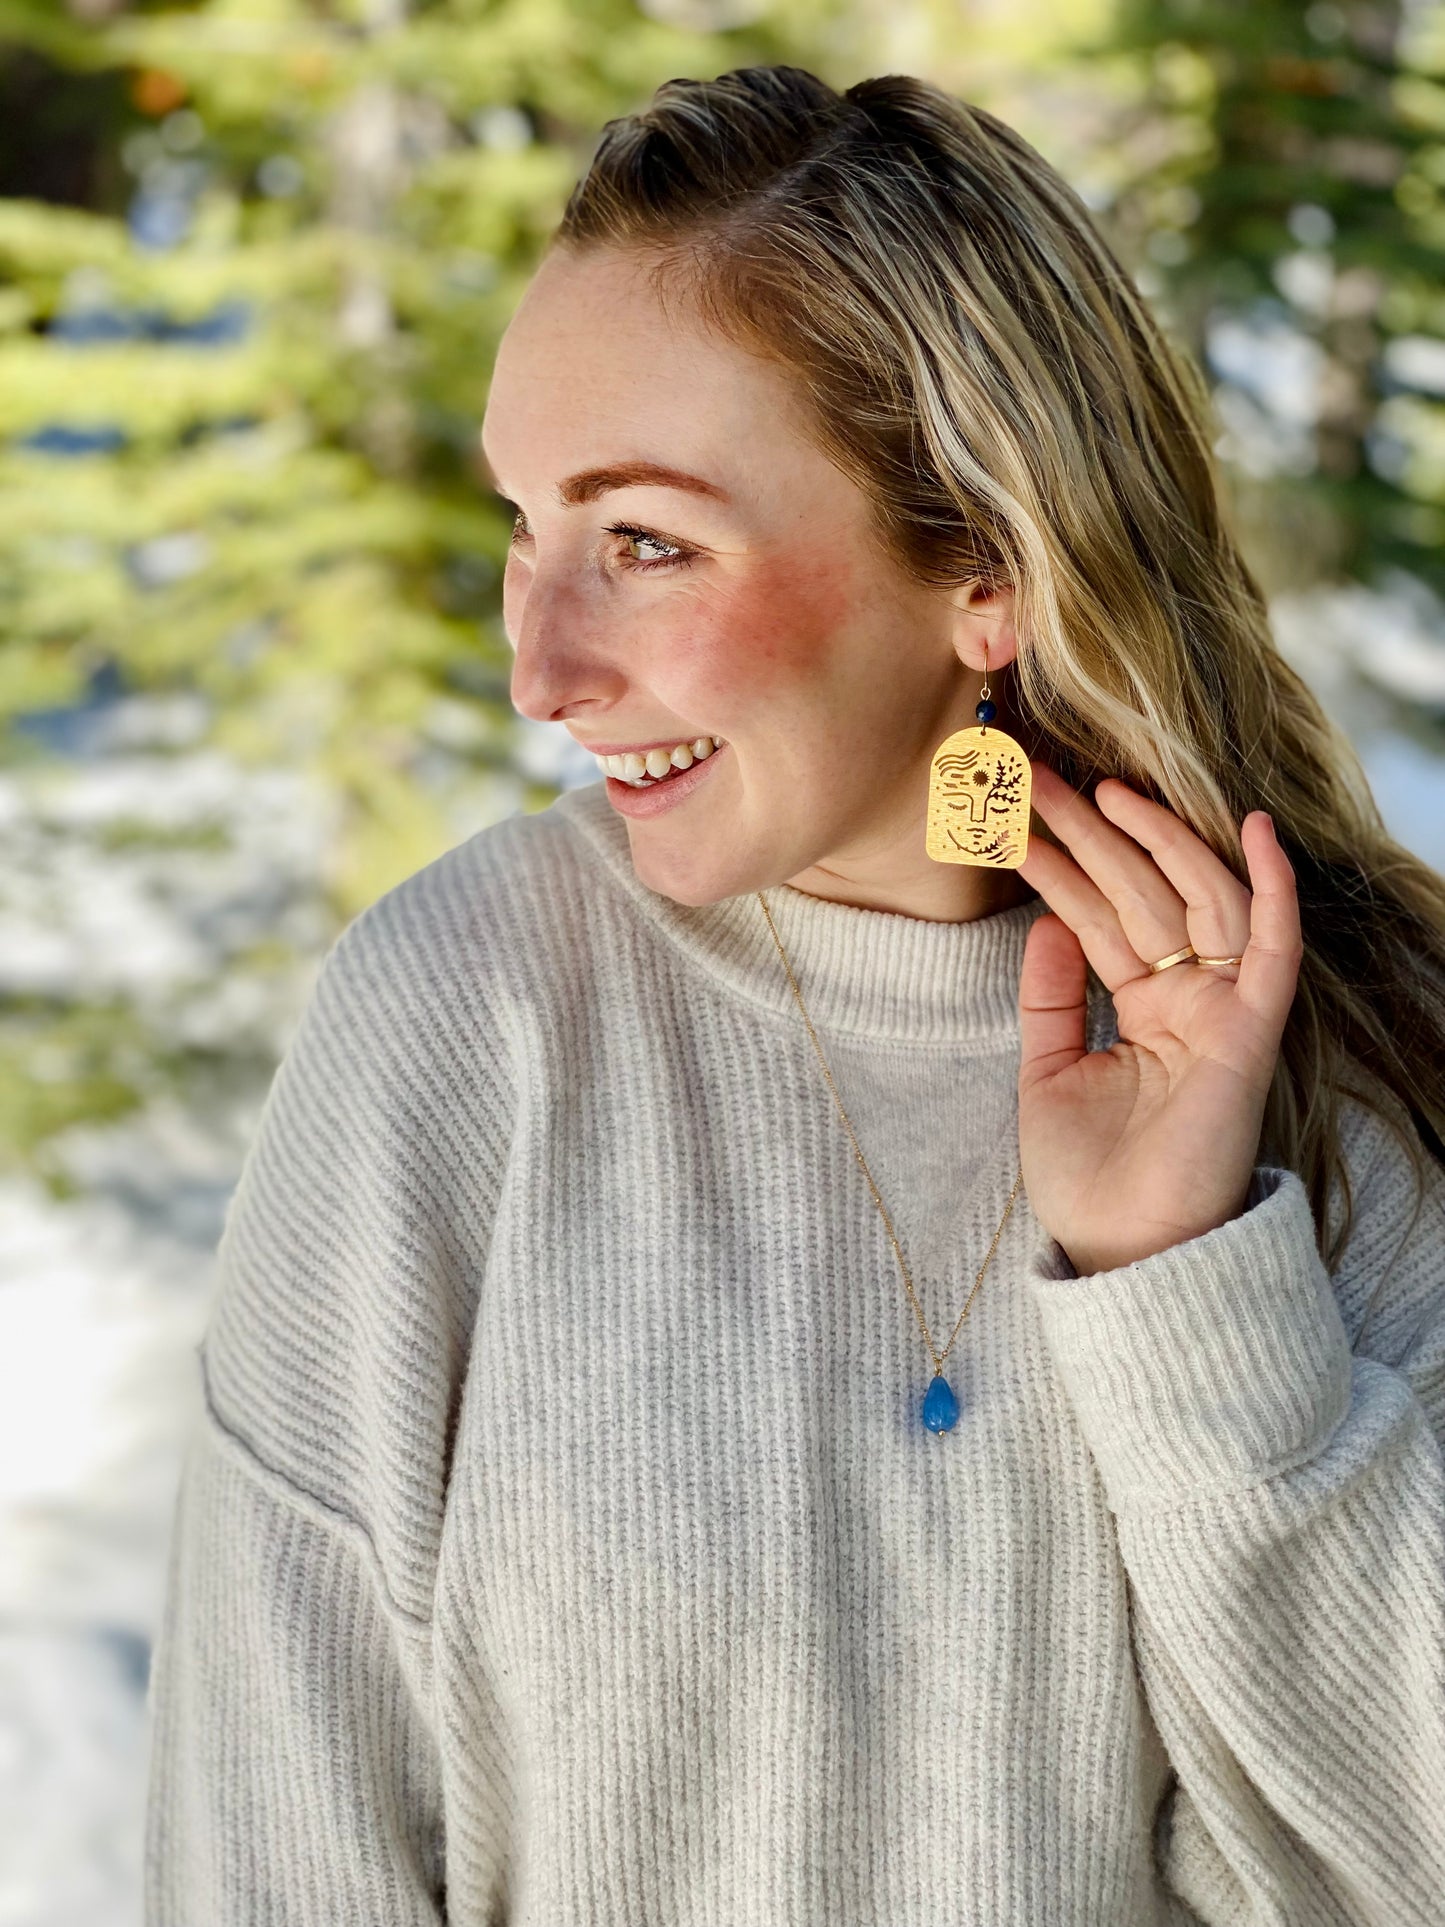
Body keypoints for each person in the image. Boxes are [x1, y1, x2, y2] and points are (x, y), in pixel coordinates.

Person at [143, 64, 1445, 1927]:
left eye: (646, 542)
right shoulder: (462, 1028)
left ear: (982, 571)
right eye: (525, 524)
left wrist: (1181, 1280)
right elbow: (268, 1848)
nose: (540, 668)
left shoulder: (1316, 1080)